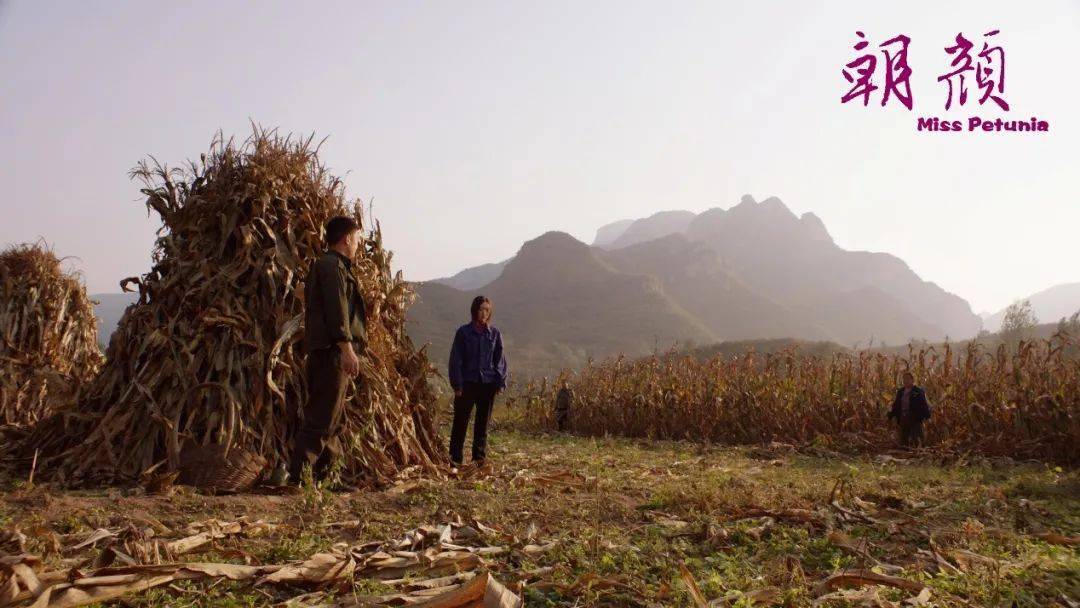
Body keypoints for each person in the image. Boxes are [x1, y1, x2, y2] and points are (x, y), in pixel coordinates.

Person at [286, 216, 367, 485]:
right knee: (322, 419)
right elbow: (337, 310)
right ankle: (297, 479)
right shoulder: (332, 267)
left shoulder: (329, 266)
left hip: (326, 351)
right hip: (331, 352)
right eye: (356, 239)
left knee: (333, 419)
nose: (358, 244)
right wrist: (347, 349)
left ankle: (329, 478)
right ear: (346, 239)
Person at [447, 295, 508, 467]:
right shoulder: (463, 332)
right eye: (481, 309)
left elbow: (500, 360)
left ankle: (478, 459)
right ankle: (455, 459)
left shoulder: (494, 334)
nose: (484, 313)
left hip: (487, 385)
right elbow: (455, 360)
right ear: (475, 310)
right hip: (467, 383)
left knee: (482, 425)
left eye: (487, 310)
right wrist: (457, 385)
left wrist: (499, 382)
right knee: (460, 423)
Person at [887, 371, 931, 448]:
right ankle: (905, 455)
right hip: (903, 417)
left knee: (917, 438)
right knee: (904, 438)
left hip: (915, 418)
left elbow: (924, 405)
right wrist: (890, 415)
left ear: (912, 380)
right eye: (904, 379)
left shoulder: (918, 391)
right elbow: (896, 405)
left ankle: (920, 454)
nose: (905, 381)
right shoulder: (900, 392)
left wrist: (927, 417)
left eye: (908, 379)